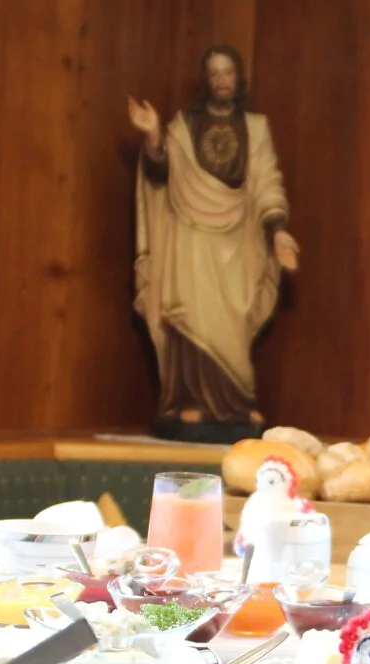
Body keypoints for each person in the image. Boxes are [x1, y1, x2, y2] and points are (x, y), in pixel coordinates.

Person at [128, 45, 298, 428]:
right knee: (187, 317)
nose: (221, 80)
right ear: (207, 80)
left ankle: (236, 402)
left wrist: (277, 231)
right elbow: (160, 175)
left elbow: (267, 182)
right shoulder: (184, 125)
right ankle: (185, 399)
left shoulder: (255, 128)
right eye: (215, 73)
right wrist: (153, 136)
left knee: (233, 325)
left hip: (238, 240)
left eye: (228, 72)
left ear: (239, 78)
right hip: (189, 235)